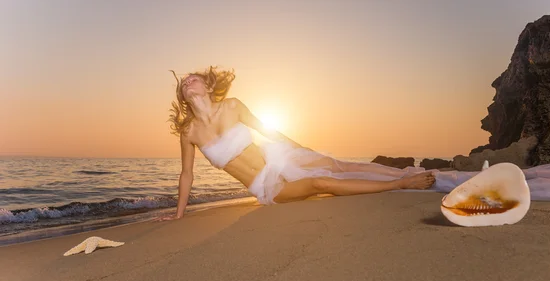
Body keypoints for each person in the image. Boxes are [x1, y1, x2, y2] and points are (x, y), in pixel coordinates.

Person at [158, 66, 436, 220]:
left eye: (193, 79)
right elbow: (187, 174)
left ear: (207, 87)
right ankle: (400, 183)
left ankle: (404, 174)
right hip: (266, 186)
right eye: (184, 83)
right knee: (320, 183)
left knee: (335, 166)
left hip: (278, 157)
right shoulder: (189, 132)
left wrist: (301, 149)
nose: (188, 82)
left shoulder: (232, 106)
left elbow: (268, 130)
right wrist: (178, 215)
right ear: (184, 98)